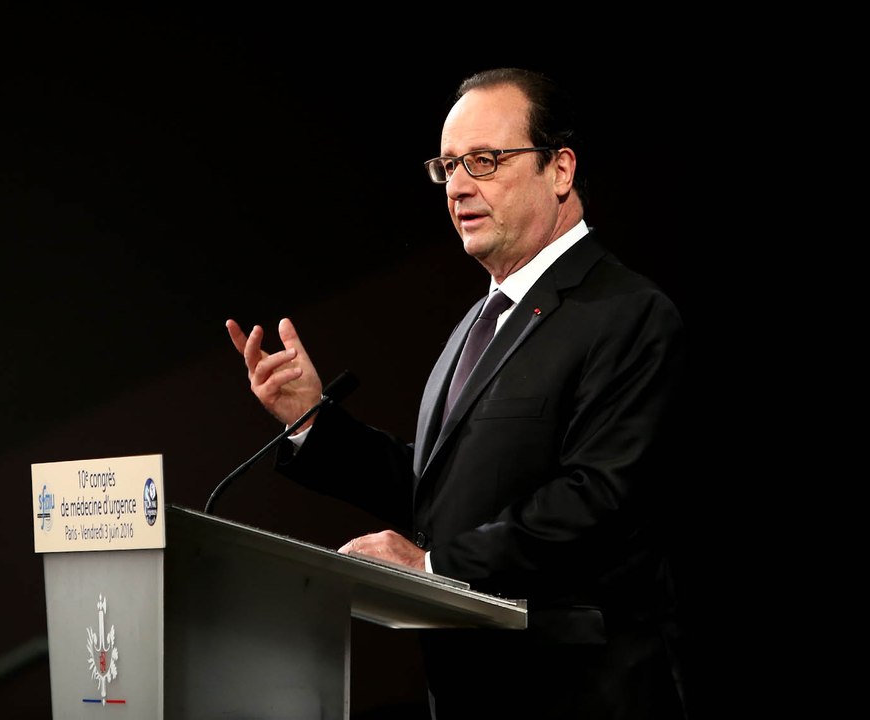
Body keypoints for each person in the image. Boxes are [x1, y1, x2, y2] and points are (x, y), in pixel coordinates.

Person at [226, 67, 691, 720]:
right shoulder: (475, 327)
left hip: (580, 694)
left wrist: (435, 565)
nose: (459, 187)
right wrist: (312, 421)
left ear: (560, 169)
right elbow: (437, 493)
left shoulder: (628, 313)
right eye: (448, 167)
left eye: (484, 160)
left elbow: (599, 501)